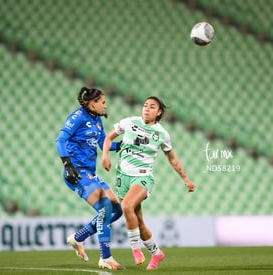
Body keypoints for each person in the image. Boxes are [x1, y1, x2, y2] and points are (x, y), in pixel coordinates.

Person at [101, 96, 196, 270]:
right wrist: (105, 155)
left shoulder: (162, 134)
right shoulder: (129, 122)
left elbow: (172, 158)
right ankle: (157, 253)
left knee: (127, 207)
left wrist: (185, 179)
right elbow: (108, 138)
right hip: (123, 177)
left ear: (158, 112)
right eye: (145, 105)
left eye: (152, 107)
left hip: (143, 177)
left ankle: (136, 249)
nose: (146, 108)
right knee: (139, 222)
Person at [55, 87, 124, 270]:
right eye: (102, 102)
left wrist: (124, 145)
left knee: (117, 210)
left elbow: (103, 144)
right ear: (92, 103)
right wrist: (67, 165)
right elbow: (59, 140)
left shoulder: (97, 120)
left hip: (90, 173)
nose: (105, 105)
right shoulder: (77, 117)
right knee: (105, 208)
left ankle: (78, 238)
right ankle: (105, 257)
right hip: (76, 172)